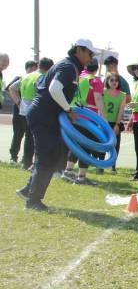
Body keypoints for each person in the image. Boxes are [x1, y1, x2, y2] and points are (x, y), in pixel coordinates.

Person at [16, 39, 102, 211]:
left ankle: (28, 191)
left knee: (51, 155)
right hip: (44, 116)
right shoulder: (69, 67)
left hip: (46, 115)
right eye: (90, 53)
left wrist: (68, 108)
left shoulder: (71, 66)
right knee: (47, 157)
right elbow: (54, 89)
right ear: (79, 50)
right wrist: (68, 109)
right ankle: (33, 200)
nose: (92, 58)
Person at [62, 58, 104, 183]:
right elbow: (98, 99)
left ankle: (68, 171)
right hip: (89, 117)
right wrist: (103, 119)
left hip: (74, 114)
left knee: (75, 144)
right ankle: (81, 177)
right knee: (86, 146)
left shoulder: (78, 77)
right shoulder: (95, 80)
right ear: (96, 68)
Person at [7, 60, 38, 164]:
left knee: (29, 136)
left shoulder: (36, 79)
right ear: (27, 69)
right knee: (18, 134)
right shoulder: (20, 78)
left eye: (35, 68)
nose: (34, 71)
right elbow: (9, 89)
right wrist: (18, 102)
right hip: (19, 111)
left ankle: (26, 159)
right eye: (32, 69)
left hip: (30, 112)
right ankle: (13, 156)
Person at [101, 73, 127, 173]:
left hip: (115, 123)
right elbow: (100, 107)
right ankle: (100, 166)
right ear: (107, 81)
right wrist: (103, 122)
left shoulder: (122, 95)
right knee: (103, 143)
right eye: (111, 80)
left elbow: (121, 110)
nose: (114, 82)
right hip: (104, 122)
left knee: (115, 145)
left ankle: (113, 166)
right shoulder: (103, 92)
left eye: (116, 80)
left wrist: (117, 124)